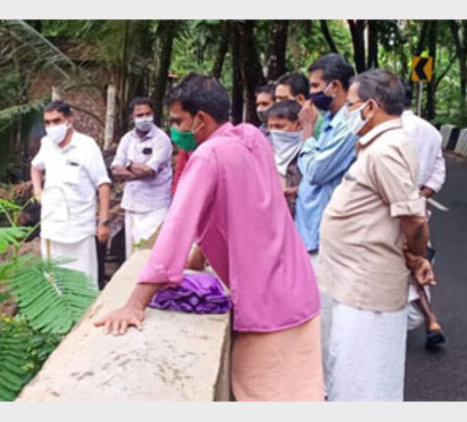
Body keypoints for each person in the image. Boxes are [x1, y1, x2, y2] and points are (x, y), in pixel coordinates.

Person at [94, 74, 323, 402]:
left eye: (178, 121)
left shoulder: (209, 156)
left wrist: (134, 304)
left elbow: (177, 227)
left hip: (268, 310)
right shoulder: (249, 137)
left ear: (200, 119)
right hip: (298, 289)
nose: (175, 130)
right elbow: (243, 212)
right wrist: (199, 259)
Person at [318, 69, 436, 401]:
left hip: (368, 291)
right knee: (352, 375)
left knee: (364, 383)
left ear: (370, 107)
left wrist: (417, 257)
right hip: (356, 284)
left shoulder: (387, 149)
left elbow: (414, 220)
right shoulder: (378, 146)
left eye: (351, 105)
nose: (346, 113)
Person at [31, 101, 111, 289]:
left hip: (80, 230)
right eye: (47, 122)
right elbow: (35, 166)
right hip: (52, 229)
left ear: (69, 120)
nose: (52, 127)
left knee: (84, 283)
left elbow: (103, 184)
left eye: (56, 121)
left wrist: (103, 222)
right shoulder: (47, 145)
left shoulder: (86, 146)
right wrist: (37, 191)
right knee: (55, 285)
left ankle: (85, 318)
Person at [295, 53, 357, 270]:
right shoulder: (331, 119)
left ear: (335, 85)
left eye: (315, 85)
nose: (311, 93)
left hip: (326, 238)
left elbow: (315, 172)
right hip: (310, 231)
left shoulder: (348, 125)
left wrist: (307, 130)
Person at [400, 80, 447, 348]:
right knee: (417, 260)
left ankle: (427, 319)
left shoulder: (385, 130)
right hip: (417, 208)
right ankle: (431, 320)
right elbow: (438, 172)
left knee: (405, 263)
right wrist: (421, 195)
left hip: (391, 209)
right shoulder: (430, 131)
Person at [111, 97, 173, 258]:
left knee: (150, 254)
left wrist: (129, 166)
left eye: (148, 113)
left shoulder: (161, 140)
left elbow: (150, 170)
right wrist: (138, 170)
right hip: (131, 205)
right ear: (132, 117)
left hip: (155, 207)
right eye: (139, 115)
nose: (144, 118)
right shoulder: (127, 139)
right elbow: (116, 170)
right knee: (132, 255)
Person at [266, 100, 303, 216]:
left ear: (298, 125)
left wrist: (298, 191)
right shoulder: (265, 155)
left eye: (279, 126)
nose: (274, 132)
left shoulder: (308, 154)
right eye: (270, 127)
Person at [275, 72, 324, 139]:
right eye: (276, 98)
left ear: (300, 99)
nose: (277, 103)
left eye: (283, 99)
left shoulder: (320, 127)